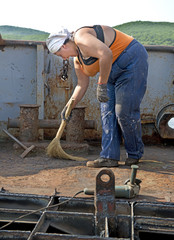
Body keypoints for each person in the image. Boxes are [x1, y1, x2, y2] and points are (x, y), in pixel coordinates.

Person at [46, 25, 148, 168]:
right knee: (107, 112)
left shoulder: (81, 37)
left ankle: (134, 154)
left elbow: (106, 53)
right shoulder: (77, 60)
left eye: (59, 54)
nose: (63, 58)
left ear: (63, 46)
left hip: (131, 59)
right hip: (111, 72)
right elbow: (81, 85)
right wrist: (69, 106)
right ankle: (109, 157)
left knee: (124, 112)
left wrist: (102, 85)